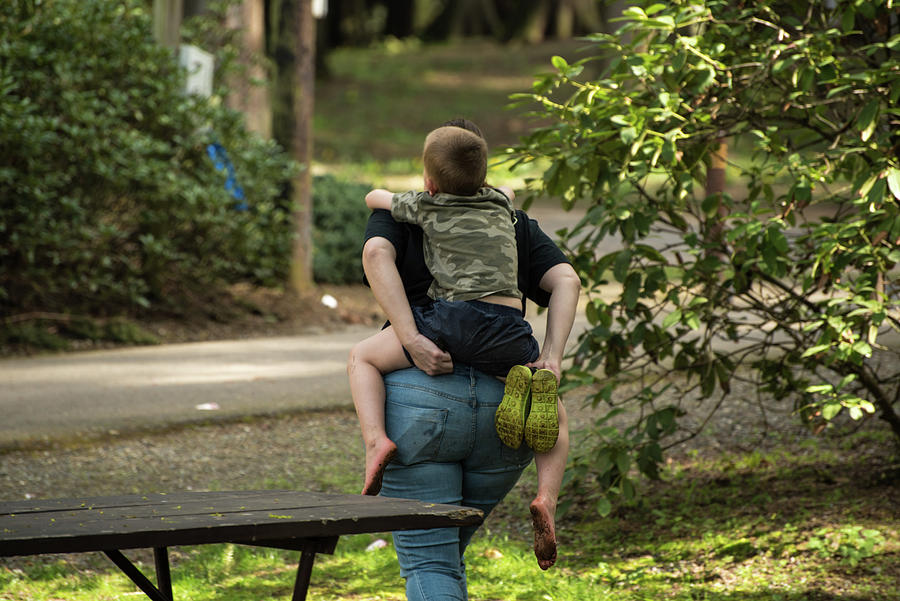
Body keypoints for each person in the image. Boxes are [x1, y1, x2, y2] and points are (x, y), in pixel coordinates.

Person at [350, 120, 580, 588]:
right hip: (507, 396)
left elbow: (376, 252)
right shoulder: (508, 215)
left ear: (428, 180)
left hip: (423, 395)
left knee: (429, 563)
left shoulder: (415, 209)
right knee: (446, 556)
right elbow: (567, 281)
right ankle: (547, 498)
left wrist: (412, 338)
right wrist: (552, 357)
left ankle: (376, 441)